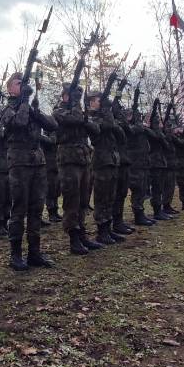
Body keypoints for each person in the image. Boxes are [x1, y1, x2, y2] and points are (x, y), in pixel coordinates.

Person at [1, 72, 57, 271]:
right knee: (19, 209)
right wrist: (24, 101)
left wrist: (36, 111)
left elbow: (52, 125)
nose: (23, 86)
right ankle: (15, 255)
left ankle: (34, 253)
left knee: (36, 208)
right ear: (10, 89)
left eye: (24, 83)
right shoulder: (6, 109)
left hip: (38, 163)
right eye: (19, 83)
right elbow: (19, 123)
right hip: (19, 164)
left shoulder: (29, 107)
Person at [53, 84, 103, 255]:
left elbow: (95, 130)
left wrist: (85, 117)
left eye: (78, 96)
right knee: (71, 201)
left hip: (83, 160)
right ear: (65, 96)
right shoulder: (59, 111)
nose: (77, 98)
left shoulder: (80, 113)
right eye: (74, 95)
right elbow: (73, 119)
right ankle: (73, 238)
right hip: (68, 160)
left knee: (83, 200)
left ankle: (82, 234)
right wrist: (76, 106)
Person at [87, 90, 124, 245]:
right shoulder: (90, 117)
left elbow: (121, 136)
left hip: (111, 160)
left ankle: (108, 229)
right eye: (98, 100)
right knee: (102, 198)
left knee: (111, 197)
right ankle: (101, 231)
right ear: (90, 102)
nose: (101, 103)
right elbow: (107, 125)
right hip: (101, 161)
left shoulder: (104, 117)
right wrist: (107, 111)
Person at [111, 93, 135, 235]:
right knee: (115, 194)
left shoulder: (122, 124)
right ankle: (115, 222)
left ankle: (119, 221)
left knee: (122, 194)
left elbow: (129, 131)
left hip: (124, 160)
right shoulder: (114, 123)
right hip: (117, 161)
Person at [40, 132, 62, 222]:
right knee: (50, 191)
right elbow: (52, 141)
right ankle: (51, 213)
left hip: (55, 167)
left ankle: (55, 212)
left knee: (56, 191)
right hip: (48, 168)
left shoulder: (54, 136)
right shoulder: (44, 139)